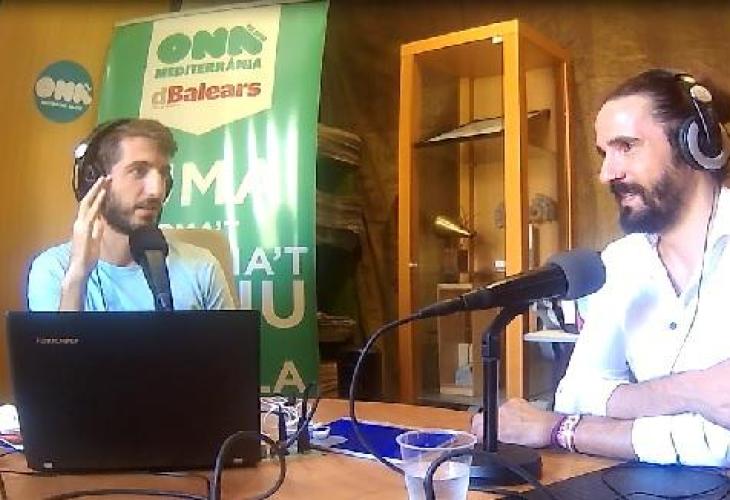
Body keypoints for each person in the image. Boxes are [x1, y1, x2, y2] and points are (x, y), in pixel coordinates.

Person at [472, 68, 730, 466]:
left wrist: (559, 429)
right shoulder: (620, 262)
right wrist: (692, 391)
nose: (607, 173)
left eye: (626, 146)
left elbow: (720, 446)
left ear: (697, 145)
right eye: (604, 153)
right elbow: (578, 393)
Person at [27, 118, 235, 311]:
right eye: (138, 171)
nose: (157, 191)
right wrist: (77, 278)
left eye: (163, 174)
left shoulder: (201, 267)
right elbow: (59, 342)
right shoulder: (55, 270)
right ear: (95, 180)